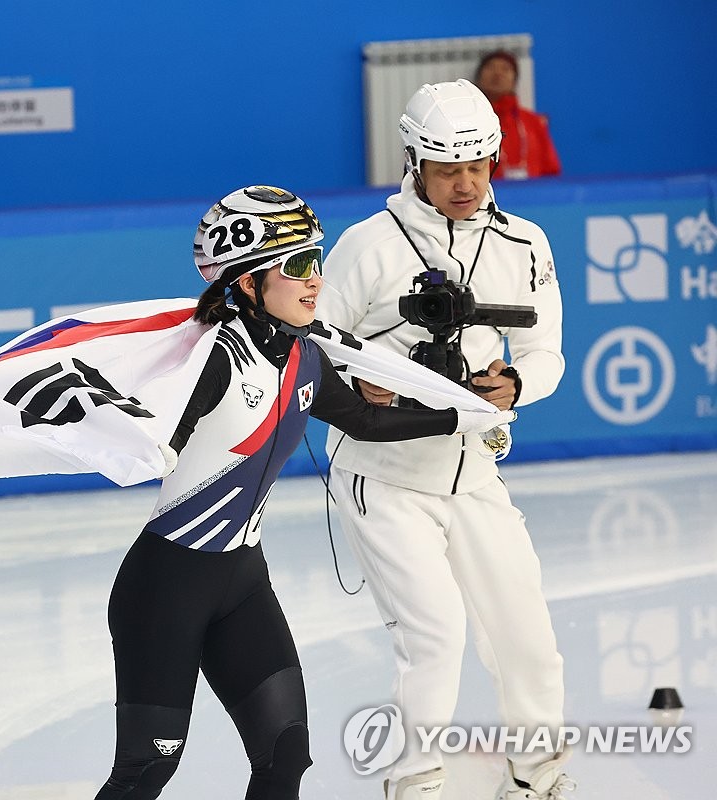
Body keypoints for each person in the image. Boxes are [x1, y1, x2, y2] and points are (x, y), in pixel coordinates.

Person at [95, 185, 511, 800]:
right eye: (295, 266)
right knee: (147, 771)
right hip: (166, 586)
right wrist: (138, 435)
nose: (315, 280)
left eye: (315, 261)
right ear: (245, 281)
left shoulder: (305, 353)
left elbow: (365, 422)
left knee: (285, 756)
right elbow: (157, 429)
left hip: (241, 584)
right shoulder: (212, 357)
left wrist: (462, 414)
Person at [313, 81, 572, 800]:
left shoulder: (524, 243)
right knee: (435, 636)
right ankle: (416, 784)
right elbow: (313, 349)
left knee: (527, 643)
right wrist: (360, 382)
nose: (464, 184)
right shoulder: (368, 245)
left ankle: (538, 778)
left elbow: (547, 351)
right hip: (384, 477)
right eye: (446, 168)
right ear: (414, 164)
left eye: (478, 167)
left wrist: (517, 387)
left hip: (476, 475)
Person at [473, 50, 561, 180]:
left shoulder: (533, 122)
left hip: (534, 195)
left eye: (506, 69)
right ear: (479, 78)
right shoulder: (470, 123)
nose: (498, 74)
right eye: (491, 67)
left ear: (514, 81)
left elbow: (552, 170)